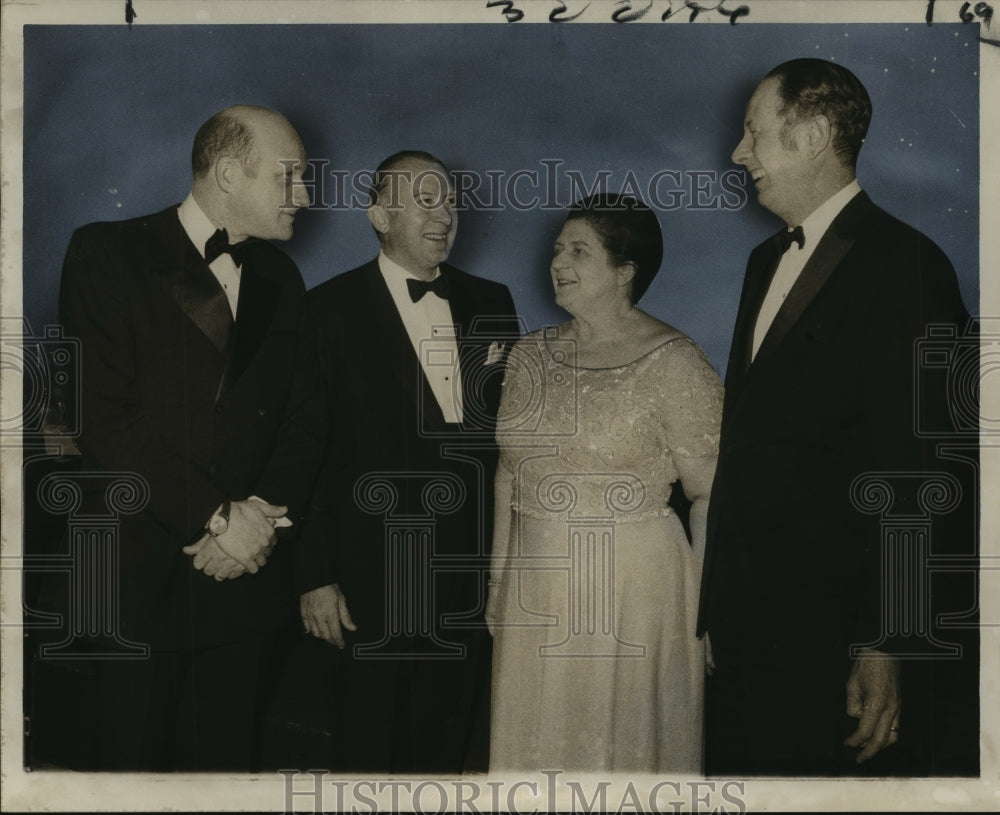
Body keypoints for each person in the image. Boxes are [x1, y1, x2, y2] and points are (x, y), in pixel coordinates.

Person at [697, 58, 976, 776]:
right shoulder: (764, 261)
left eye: (754, 133)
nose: (737, 153)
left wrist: (888, 639)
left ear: (815, 134)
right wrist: (714, 610)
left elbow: (927, 470)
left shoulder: (909, 264)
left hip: (837, 643)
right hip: (748, 632)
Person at [49, 105, 324, 770]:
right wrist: (220, 515)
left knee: (225, 776)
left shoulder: (282, 279)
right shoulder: (105, 253)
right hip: (135, 585)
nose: (307, 197)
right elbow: (104, 418)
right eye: (289, 177)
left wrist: (257, 524)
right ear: (230, 174)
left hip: (244, 589)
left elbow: (303, 419)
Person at [297, 150, 520, 773]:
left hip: (467, 587)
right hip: (368, 586)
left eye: (449, 201)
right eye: (424, 199)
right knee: (367, 759)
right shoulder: (324, 311)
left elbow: (505, 443)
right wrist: (314, 576)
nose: (444, 214)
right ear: (378, 214)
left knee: (449, 757)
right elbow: (302, 453)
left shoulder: (492, 301)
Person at [487, 194, 722, 772]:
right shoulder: (529, 355)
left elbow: (708, 493)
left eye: (578, 251)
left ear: (625, 272)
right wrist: (497, 582)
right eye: (557, 249)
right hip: (534, 588)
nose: (557, 262)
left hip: (635, 594)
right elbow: (509, 473)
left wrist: (711, 608)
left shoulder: (676, 361)